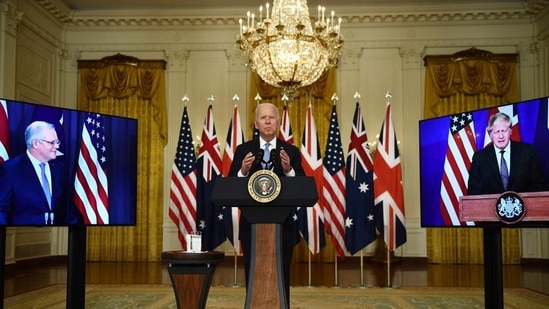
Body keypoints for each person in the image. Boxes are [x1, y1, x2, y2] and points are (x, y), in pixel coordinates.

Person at [228, 103, 304, 306]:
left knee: (282, 268)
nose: (268, 121)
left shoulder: (291, 151)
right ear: (256, 123)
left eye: (272, 117)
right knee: (253, 267)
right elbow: (231, 184)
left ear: (278, 122)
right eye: (263, 118)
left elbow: (302, 186)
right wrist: (243, 170)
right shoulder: (243, 150)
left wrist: (288, 170)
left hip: (283, 223)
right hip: (251, 223)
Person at [0, 121, 72, 225]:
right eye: (52, 142)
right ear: (35, 143)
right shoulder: (10, 170)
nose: (57, 146)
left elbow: (68, 210)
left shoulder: (59, 168)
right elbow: (2, 212)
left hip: (56, 236)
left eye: (57, 142)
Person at [468, 112, 548, 195]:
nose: (501, 136)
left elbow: (539, 184)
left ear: (510, 131)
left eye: (504, 131)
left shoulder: (528, 152)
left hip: (524, 206)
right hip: (490, 207)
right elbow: (473, 190)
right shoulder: (480, 158)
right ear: (490, 135)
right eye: (496, 132)